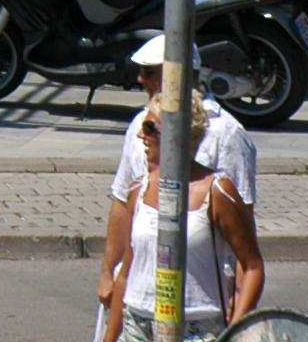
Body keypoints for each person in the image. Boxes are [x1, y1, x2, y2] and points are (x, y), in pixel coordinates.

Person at [97, 86, 265, 341]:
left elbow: (252, 266)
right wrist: (110, 336)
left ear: (178, 136)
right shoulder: (139, 189)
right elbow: (127, 272)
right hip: (137, 323)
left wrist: (234, 330)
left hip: (196, 327)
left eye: (151, 128)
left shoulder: (217, 191)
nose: (142, 135)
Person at [102, 34, 256, 312]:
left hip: (201, 298)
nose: (140, 80)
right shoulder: (141, 122)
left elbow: (244, 226)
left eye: (148, 72)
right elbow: (122, 203)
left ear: (176, 75)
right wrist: (107, 272)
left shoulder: (227, 133)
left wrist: (239, 303)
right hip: (138, 295)